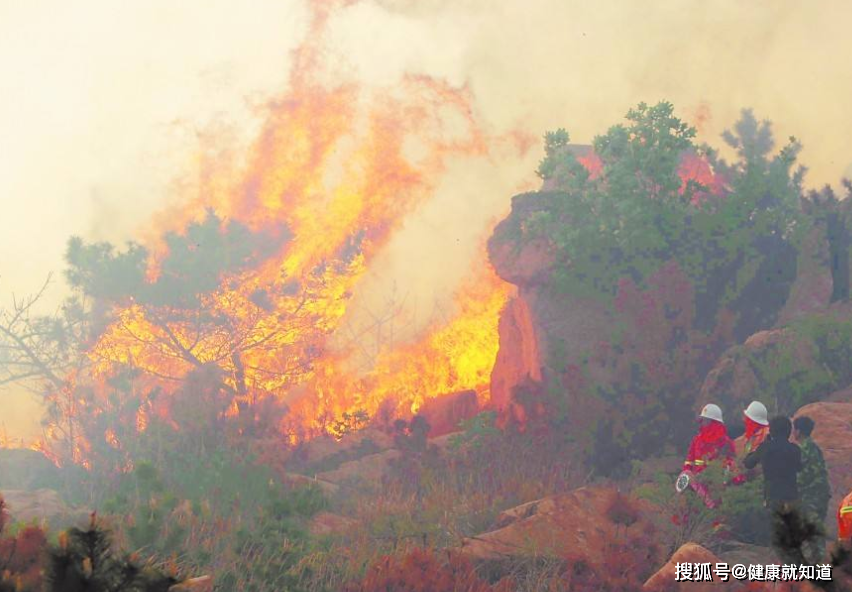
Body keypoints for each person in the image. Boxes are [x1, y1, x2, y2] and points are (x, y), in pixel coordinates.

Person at [793, 415, 831, 562]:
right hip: (821, 496)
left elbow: (802, 476)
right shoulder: (815, 447)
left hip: (810, 497)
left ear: (799, 431)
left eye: (795, 429)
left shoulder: (803, 450)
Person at [683, 403, 735, 475]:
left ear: (715, 423)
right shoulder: (697, 440)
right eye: (702, 420)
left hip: (716, 481)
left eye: (706, 421)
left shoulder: (726, 443)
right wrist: (687, 471)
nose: (703, 423)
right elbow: (689, 460)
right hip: (696, 480)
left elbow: (730, 464)